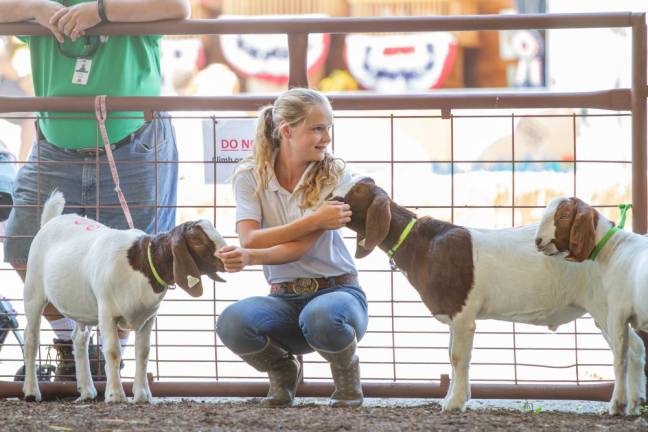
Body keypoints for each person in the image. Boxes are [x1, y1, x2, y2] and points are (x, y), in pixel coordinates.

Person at [0, 0, 190, 381]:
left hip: (133, 144)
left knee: (132, 260)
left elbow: (177, 7)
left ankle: (107, 357)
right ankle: (74, 344)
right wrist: (34, 8)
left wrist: (100, 12)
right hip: (54, 145)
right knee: (22, 244)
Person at [216, 88, 369, 408]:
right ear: (286, 130)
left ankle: (347, 378)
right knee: (231, 322)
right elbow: (249, 239)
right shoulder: (248, 175)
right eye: (317, 128)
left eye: (328, 128)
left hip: (339, 294)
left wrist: (252, 256)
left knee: (321, 316)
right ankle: (283, 369)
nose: (326, 137)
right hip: (284, 297)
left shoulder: (336, 172)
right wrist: (316, 218)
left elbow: (297, 247)